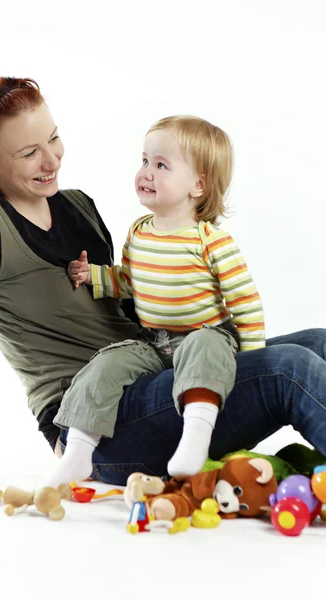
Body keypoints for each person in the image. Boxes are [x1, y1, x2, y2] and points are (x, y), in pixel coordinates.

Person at [0, 76, 325, 489]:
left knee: (318, 343)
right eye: (30, 153)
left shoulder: (78, 207)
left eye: (54, 139)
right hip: (97, 422)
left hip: (156, 368)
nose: (52, 161)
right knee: (287, 370)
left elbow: (136, 302)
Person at [52, 115, 265, 486]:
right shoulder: (139, 231)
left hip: (205, 335)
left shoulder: (210, 242)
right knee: (106, 363)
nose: (146, 172)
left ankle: (196, 437)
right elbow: (130, 282)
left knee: (203, 344)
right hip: (154, 341)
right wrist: (95, 276)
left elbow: (245, 303)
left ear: (198, 185)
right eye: (145, 161)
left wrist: (253, 358)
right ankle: (78, 453)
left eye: (161, 164)